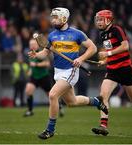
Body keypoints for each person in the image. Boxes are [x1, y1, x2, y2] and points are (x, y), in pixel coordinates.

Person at [28, 7, 108, 139]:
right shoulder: (52, 35)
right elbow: (46, 53)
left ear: (64, 18)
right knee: (72, 102)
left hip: (70, 71)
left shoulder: (77, 34)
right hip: (58, 72)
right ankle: (97, 102)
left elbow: (92, 48)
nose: (53, 20)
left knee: (53, 95)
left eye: (56, 17)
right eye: (52, 17)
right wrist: (36, 54)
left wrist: (80, 59)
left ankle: (50, 130)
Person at [24, 38, 51, 117]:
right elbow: (31, 64)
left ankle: (58, 106)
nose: (32, 46)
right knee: (28, 91)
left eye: (33, 44)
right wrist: (30, 71)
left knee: (50, 95)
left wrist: (36, 65)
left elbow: (47, 63)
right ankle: (30, 110)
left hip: (43, 76)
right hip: (34, 77)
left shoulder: (41, 53)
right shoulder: (30, 53)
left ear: (37, 45)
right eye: (30, 44)